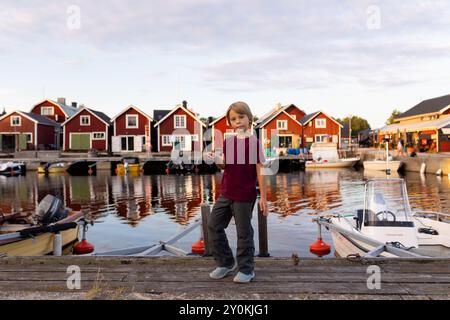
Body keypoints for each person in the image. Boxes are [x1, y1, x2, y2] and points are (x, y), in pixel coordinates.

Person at [206, 101, 268, 284]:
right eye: (233, 119)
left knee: (243, 233)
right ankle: (226, 262)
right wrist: (216, 160)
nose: (238, 121)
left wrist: (263, 197)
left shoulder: (254, 142)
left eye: (241, 117)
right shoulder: (228, 141)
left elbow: (260, 169)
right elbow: (225, 165)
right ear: (230, 123)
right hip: (226, 192)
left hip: (244, 195)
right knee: (213, 224)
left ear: (249, 119)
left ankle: (247, 269)